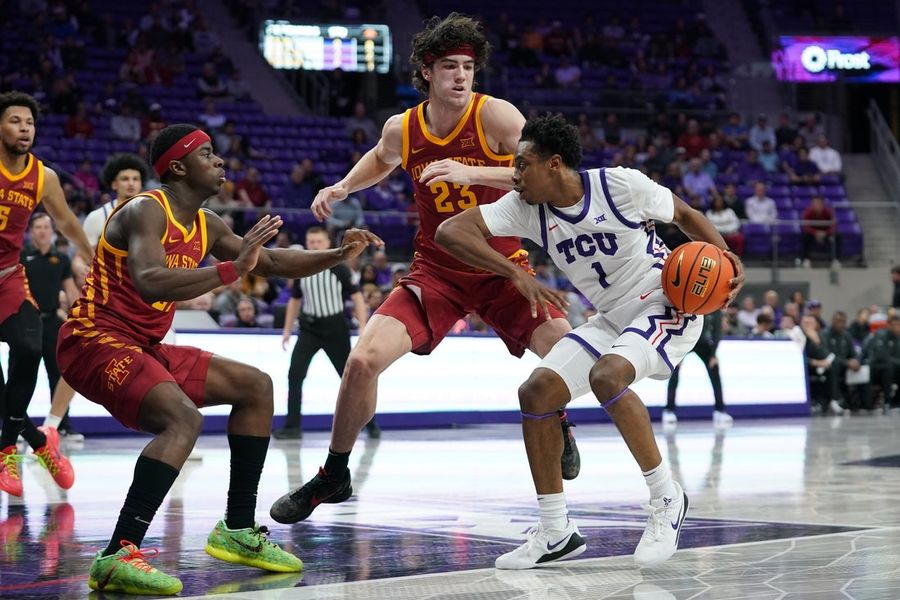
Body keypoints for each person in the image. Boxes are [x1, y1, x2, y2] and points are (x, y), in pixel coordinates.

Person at [269, 13, 580, 526]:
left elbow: (549, 173)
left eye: (469, 67)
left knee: (568, 349)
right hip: (435, 271)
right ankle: (335, 473)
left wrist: (472, 170)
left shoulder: (497, 117)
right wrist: (344, 186)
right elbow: (381, 156)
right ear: (427, 73)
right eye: (450, 67)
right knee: (362, 360)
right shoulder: (404, 127)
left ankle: (560, 420)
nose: (461, 75)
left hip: (503, 266)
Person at [55, 124, 383, 595]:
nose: (220, 161)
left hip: (143, 345)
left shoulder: (207, 223)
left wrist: (338, 254)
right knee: (182, 421)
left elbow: (268, 263)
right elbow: (149, 279)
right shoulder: (146, 210)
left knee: (256, 386)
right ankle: (117, 554)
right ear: (178, 167)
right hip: (93, 339)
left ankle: (237, 529)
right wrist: (232, 268)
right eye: (207, 154)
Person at [434, 114, 744, 569]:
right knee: (537, 392)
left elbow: (684, 215)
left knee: (607, 375)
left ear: (554, 164)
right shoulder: (523, 206)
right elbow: (449, 232)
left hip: (664, 301)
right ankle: (556, 531)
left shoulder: (620, 185)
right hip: (611, 317)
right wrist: (515, 272)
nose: (514, 174)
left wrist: (729, 261)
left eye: (522, 165)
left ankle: (665, 497)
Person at [0, 91, 93, 497]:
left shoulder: (44, 177)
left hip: (6, 275)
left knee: (29, 346)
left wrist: (92, 257)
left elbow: (68, 221)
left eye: (30, 122)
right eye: (15, 121)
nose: (24, 128)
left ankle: (7, 450)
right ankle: (39, 442)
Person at [274, 226, 374, 440]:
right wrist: (286, 330)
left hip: (335, 328)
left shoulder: (340, 268)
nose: (315, 246)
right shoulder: (302, 268)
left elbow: (357, 297)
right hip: (309, 328)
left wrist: (363, 325)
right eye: (311, 242)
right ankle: (293, 426)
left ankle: (371, 424)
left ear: (327, 243)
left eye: (318, 242)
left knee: (349, 379)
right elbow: (295, 300)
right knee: (295, 374)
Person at [20, 214, 81, 438]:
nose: (43, 231)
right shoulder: (21, 256)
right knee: (22, 375)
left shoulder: (61, 259)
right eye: (38, 227)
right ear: (31, 230)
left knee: (59, 374)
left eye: (46, 226)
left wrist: (78, 314)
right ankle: (16, 425)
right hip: (26, 324)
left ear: (52, 230)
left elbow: (71, 290)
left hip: (53, 322)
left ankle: (62, 425)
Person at [663, 309, 732, 428]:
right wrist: (676, 349)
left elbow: (717, 330)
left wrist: (713, 354)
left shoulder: (714, 306)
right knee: (674, 371)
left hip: (703, 343)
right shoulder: (688, 301)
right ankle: (669, 410)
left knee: (714, 369)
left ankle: (720, 410)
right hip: (685, 342)